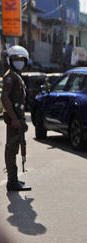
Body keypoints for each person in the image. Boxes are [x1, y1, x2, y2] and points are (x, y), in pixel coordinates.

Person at [1, 45, 32, 191]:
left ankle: (14, 179)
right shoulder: (10, 77)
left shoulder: (16, 75)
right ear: (10, 60)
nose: (19, 62)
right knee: (11, 148)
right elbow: (5, 97)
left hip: (17, 119)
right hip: (13, 120)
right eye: (16, 59)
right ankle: (12, 182)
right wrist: (13, 118)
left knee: (15, 148)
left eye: (21, 59)